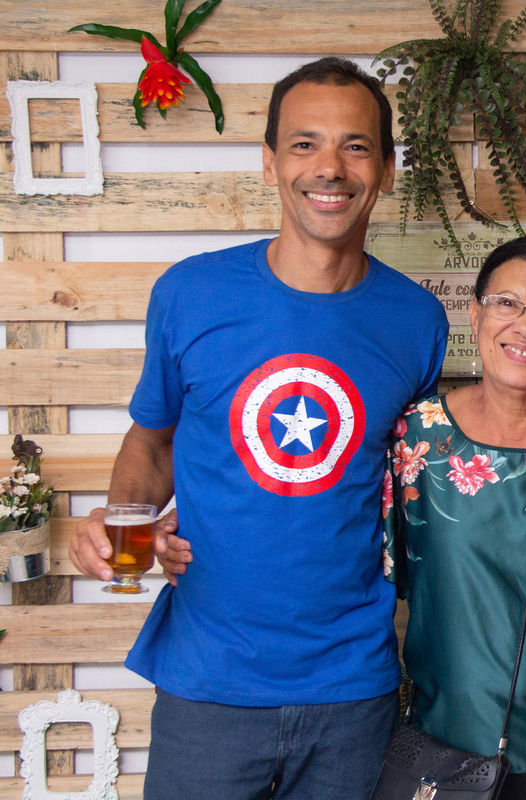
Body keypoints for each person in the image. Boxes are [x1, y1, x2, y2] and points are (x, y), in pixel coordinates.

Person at [67, 58, 449, 800]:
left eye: (356, 146)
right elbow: (152, 438)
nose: (329, 167)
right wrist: (127, 523)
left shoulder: (418, 321)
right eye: (304, 144)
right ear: (270, 162)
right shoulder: (189, 292)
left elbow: (416, 484)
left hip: (354, 686)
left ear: (387, 169)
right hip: (207, 681)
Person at [383, 236, 526, 800]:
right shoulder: (415, 438)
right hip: (442, 751)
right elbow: (353, 560)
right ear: (475, 313)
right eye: (506, 303)